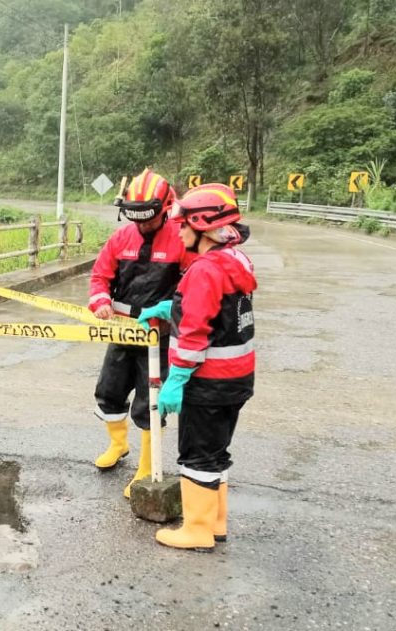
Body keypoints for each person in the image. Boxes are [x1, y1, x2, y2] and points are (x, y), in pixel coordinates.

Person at [143, 183, 256, 552]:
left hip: (206, 384)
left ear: (203, 225)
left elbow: (195, 335)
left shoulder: (204, 271)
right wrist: (170, 309)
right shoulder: (233, 261)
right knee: (217, 452)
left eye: (183, 225)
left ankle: (197, 530)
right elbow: (214, 315)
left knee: (196, 455)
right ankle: (216, 523)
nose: (178, 231)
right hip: (235, 380)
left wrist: (175, 380)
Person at [88, 168, 193, 498]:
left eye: (148, 218)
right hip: (122, 331)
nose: (142, 225)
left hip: (158, 338)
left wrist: (171, 312)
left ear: (164, 208)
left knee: (150, 404)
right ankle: (118, 445)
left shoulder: (180, 239)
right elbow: (99, 277)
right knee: (109, 391)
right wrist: (101, 301)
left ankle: (147, 467)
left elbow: (193, 284)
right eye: (136, 218)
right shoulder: (121, 238)